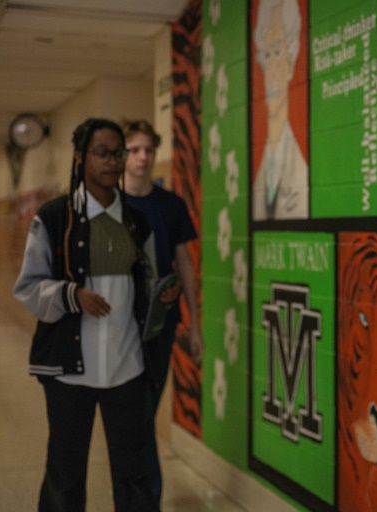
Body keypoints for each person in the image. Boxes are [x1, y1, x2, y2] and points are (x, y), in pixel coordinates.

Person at [13, 118, 160, 512]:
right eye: (102, 153)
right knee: (65, 472)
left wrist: (162, 296)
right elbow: (27, 288)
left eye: (117, 153)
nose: (112, 161)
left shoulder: (136, 221)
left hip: (127, 369)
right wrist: (71, 295)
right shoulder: (54, 217)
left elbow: (148, 286)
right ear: (80, 158)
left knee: (133, 473)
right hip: (69, 373)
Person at [121, 118, 203, 500]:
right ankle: (142, 496)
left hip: (161, 324)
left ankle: (145, 497)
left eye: (149, 150)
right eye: (134, 150)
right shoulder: (109, 204)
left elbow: (184, 262)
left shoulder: (170, 205)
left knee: (142, 416)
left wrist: (195, 325)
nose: (142, 157)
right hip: (118, 326)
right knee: (132, 419)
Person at [252, 0, 309, 220]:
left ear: (291, 62)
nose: (271, 70)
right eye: (266, 56)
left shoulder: (301, 173)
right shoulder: (260, 177)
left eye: (277, 53)